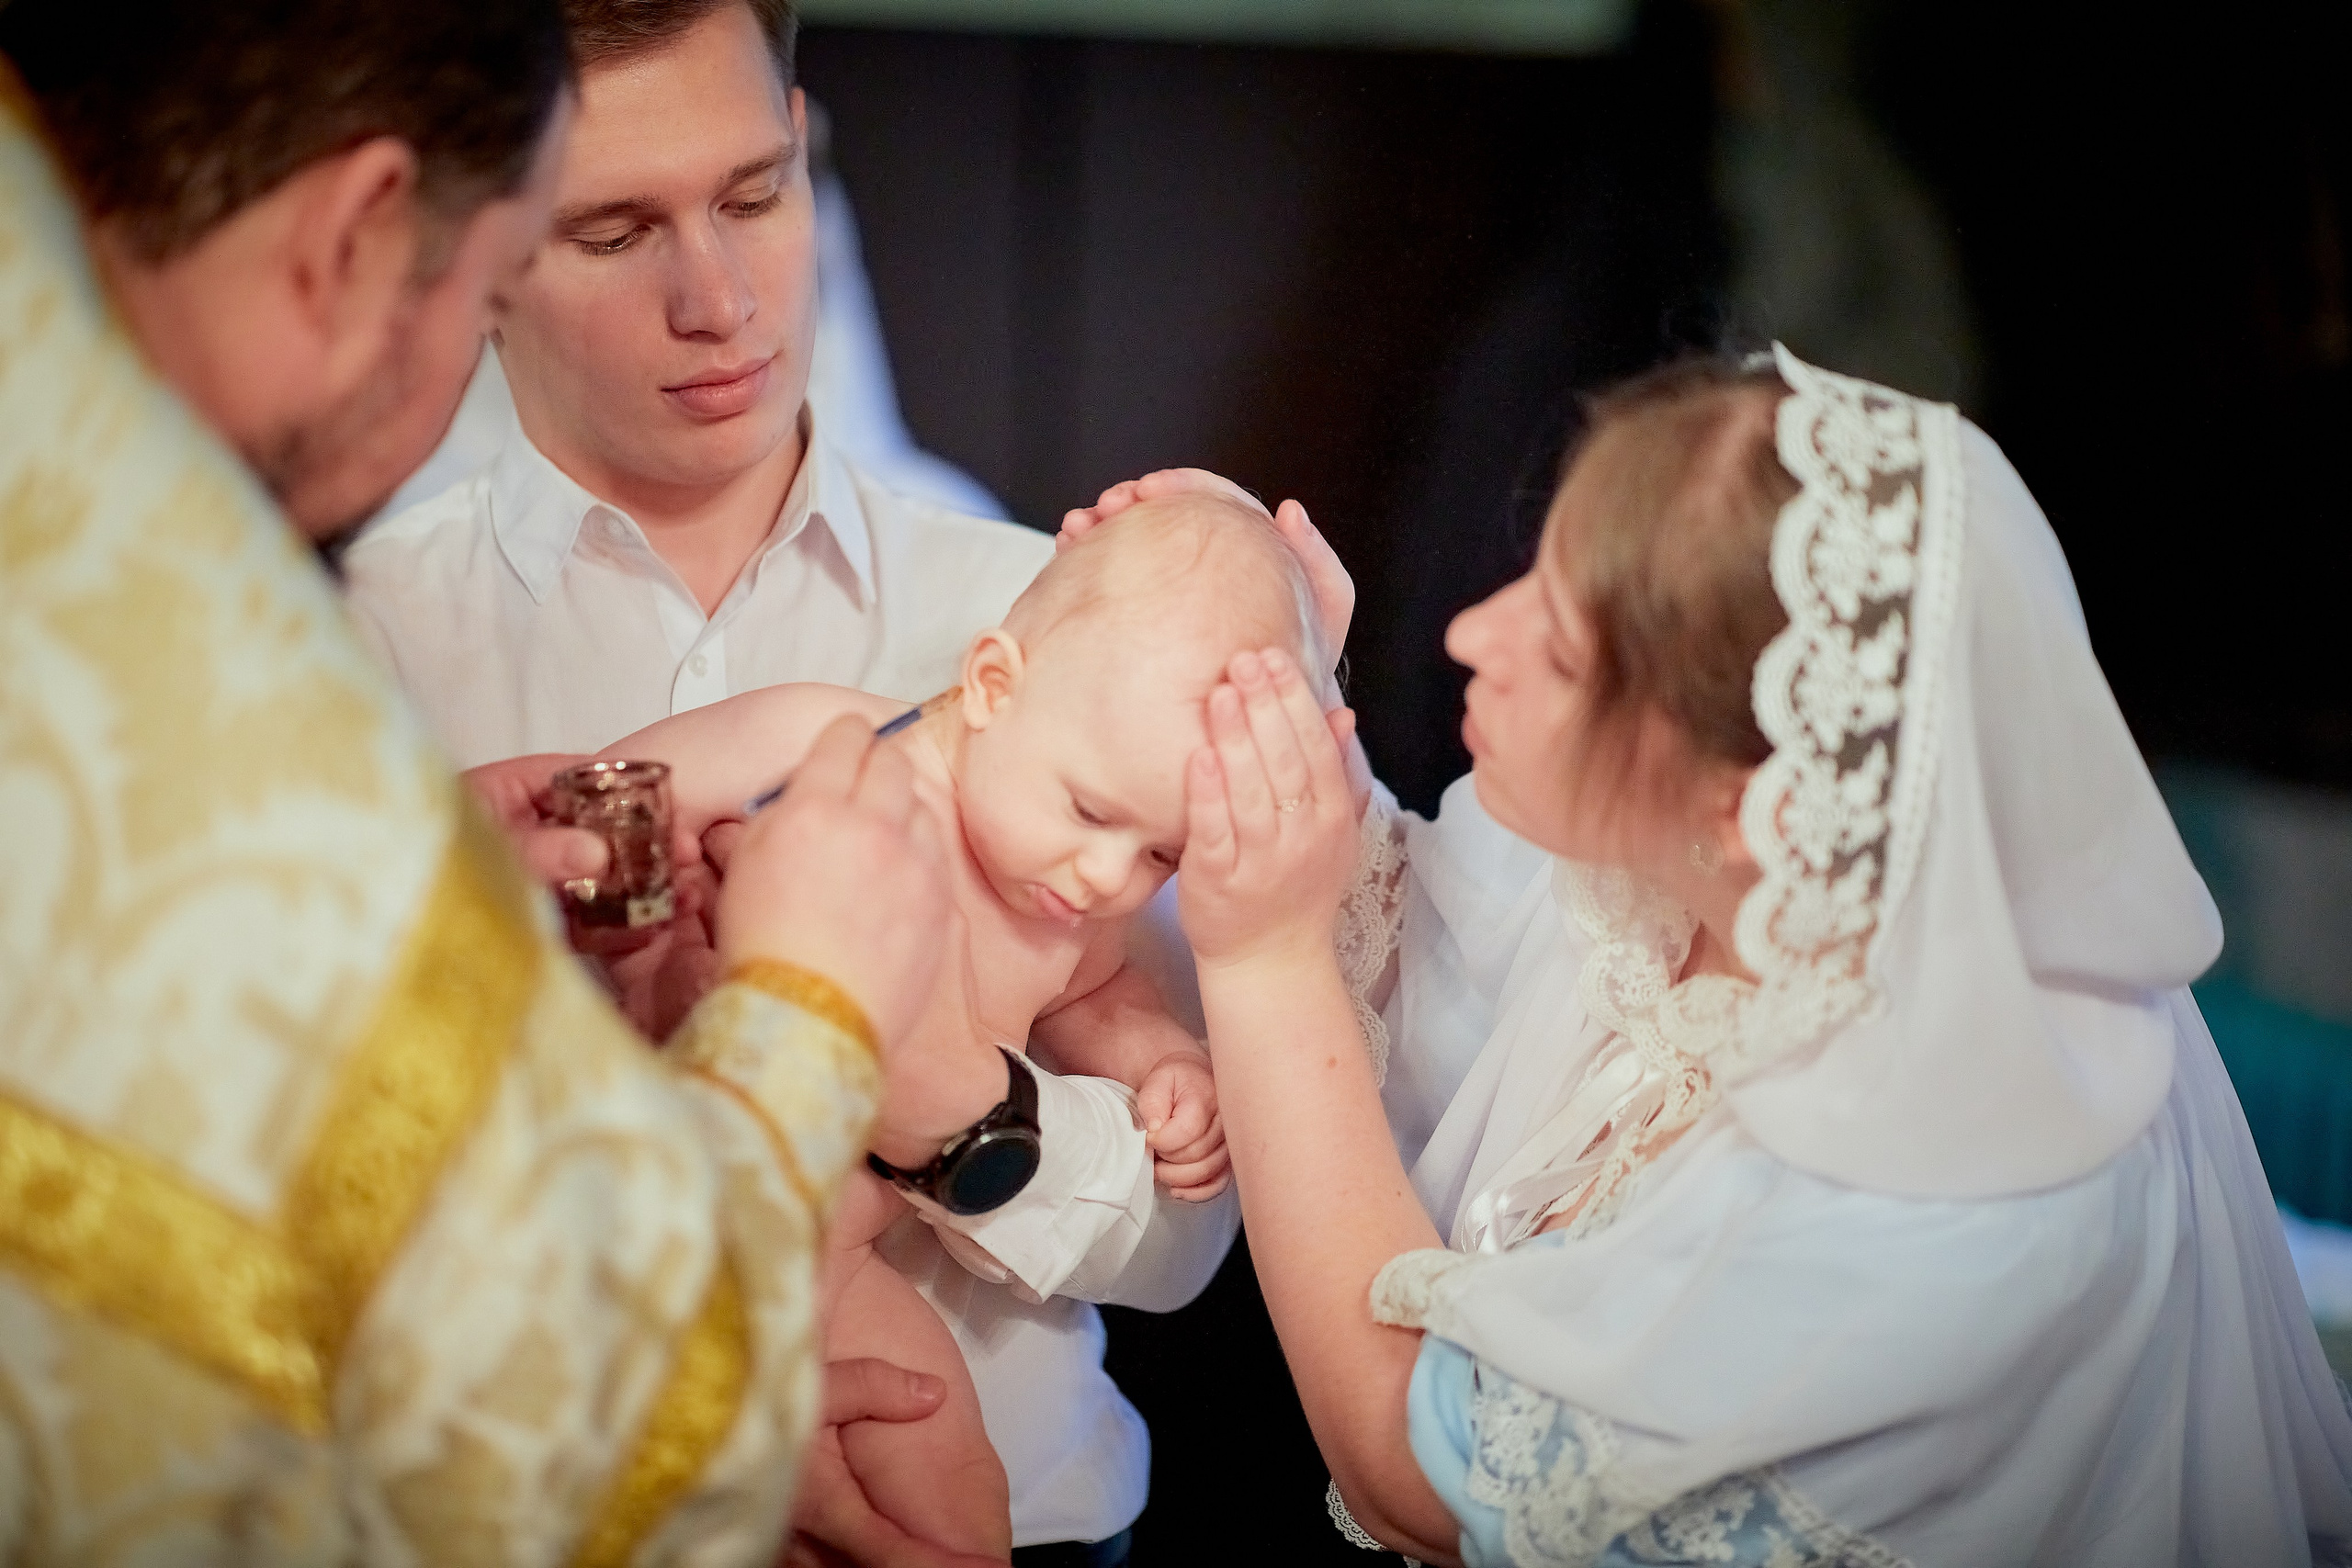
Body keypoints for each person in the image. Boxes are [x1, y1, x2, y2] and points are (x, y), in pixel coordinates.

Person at [0, 5, 995, 1562]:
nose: (716, 300)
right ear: (351, 242)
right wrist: (806, 1006)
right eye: (510, 268)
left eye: (757, 192)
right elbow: (571, 1437)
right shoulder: (296, 723)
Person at [1121, 348, 2352, 1562]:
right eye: (1531, 571)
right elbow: (1428, 967)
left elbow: (1419, 1471)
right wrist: (1288, 716)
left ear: (1743, 798)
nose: (1467, 632)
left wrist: (1265, 962)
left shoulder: (1915, 1220)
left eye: (1558, 649)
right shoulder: (1692, 882)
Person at [336, 3, 1239, 1557]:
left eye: (757, 195)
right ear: (480, 254)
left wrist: (953, 1111)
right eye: (618, 231)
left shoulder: (1047, 622)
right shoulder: (355, 647)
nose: (722, 299)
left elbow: (1183, 1245)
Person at [608, 492, 1316, 1552]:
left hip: (841, 1268)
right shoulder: (831, 748)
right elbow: (605, 805)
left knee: (930, 1428)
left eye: (1160, 855)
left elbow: (1098, 999)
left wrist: (1162, 1059)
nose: (1107, 877)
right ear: (991, 686)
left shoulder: (1074, 921)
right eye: (1088, 812)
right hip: (646, 1218)